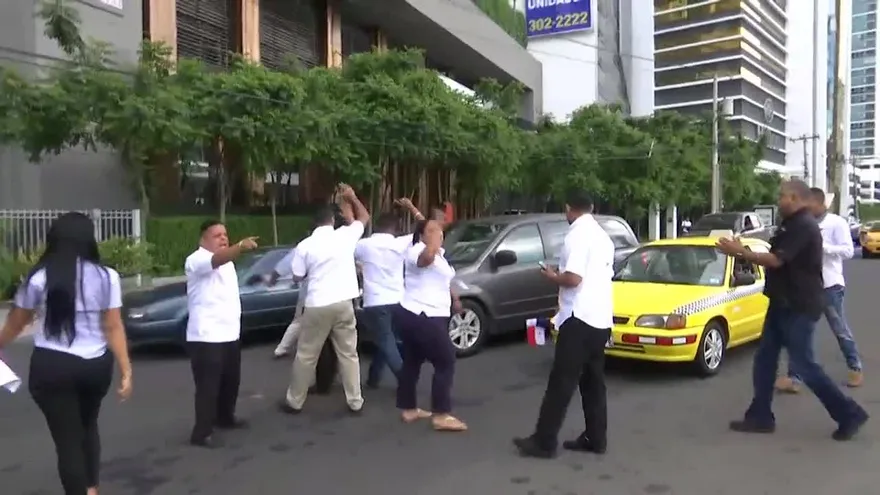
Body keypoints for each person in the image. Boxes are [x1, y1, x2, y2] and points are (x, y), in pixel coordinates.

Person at [716, 179, 868, 441]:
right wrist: (745, 250)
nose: (779, 201)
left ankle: (849, 414)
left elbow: (776, 260)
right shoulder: (790, 224)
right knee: (765, 359)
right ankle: (760, 416)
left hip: (799, 305)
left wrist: (741, 252)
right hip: (781, 301)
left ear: (795, 198)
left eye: (782, 196)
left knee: (805, 365)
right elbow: (775, 254)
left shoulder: (804, 225)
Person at [0, 212, 132, 495]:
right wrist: (126, 370)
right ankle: (91, 489)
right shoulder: (107, 277)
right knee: (88, 426)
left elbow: (16, 323)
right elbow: (113, 326)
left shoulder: (40, 277)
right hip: (95, 366)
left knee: (68, 441)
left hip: (53, 366)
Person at [514, 190, 615, 459]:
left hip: (579, 318)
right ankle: (596, 437)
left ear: (569, 208)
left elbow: (573, 278)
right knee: (593, 382)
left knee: (561, 381)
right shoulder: (602, 236)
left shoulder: (577, 235)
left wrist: (552, 276)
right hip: (600, 318)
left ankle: (544, 442)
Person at [279, 183, 369, 414]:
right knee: (349, 354)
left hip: (317, 304)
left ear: (314, 223)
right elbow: (364, 217)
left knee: (306, 355)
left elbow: (298, 276)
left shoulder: (305, 246)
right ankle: (355, 401)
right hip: (344, 303)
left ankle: (295, 401)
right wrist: (352, 197)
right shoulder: (345, 236)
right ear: (332, 220)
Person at [775, 187, 863, 391]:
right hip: (806, 286)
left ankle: (855, 367)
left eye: (809, 204)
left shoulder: (836, 223)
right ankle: (795, 378)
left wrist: (823, 247)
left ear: (819, 203)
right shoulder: (802, 223)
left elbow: (849, 251)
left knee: (839, 328)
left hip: (830, 285)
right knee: (799, 332)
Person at [184, 220, 259, 448]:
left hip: (229, 333)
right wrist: (240, 247)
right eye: (217, 235)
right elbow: (216, 260)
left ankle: (225, 417)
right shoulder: (196, 259)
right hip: (206, 335)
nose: (224, 238)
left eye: (225, 234)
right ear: (203, 239)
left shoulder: (228, 263)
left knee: (231, 381)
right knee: (208, 387)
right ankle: (201, 433)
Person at [396, 219, 467, 431]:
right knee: (446, 360)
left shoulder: (440, 254)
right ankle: (441, 414)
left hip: (421, 314)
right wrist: (433, 242)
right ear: (422, 235)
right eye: (432, 231)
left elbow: (443, 279)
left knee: (412, 360)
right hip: (423, 315)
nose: (439, 233)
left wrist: (454, 298)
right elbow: (425, 260)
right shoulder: (416, 250)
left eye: (440, 230)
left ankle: (409, 409)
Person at [355, 211, 415, 388]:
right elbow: (429, 227)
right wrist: (411, 208)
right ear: (395, 228)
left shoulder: (363, 245)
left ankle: (405, 379)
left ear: (377, 226)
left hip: (375, 301)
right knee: (389, 340)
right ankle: (374, 377)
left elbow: (347, 255)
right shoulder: (401, 243)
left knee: (386, 340)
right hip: (399, 299)